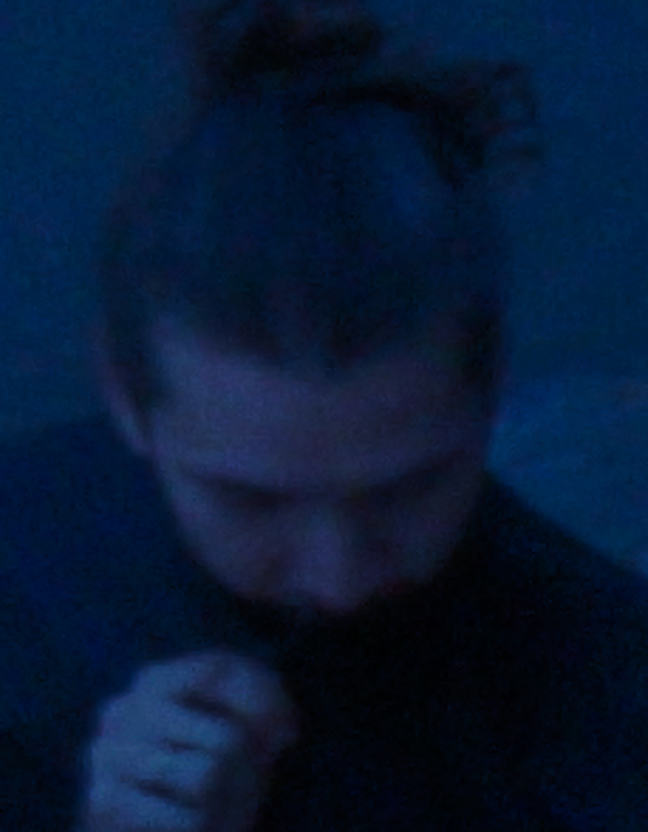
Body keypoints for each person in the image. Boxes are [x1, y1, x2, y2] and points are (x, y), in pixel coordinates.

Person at [1, 1, 647, 829]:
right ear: (125, 395)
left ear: (492, 393)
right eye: (250, 500)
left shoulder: (608, 691)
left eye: (407, 491)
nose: (338, 579)